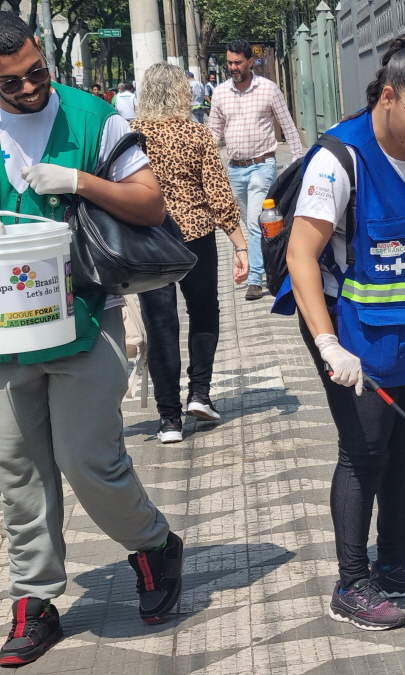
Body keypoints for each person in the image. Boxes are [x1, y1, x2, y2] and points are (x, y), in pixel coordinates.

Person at [0, 13, 184, 666]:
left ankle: (154, 543)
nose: (29, 90)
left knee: (86, 458)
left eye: (36, 73)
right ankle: (35, 597)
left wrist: (78, 182)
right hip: (5, 330)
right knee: (18, 468)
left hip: (81, 316)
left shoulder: (91, 117)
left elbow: (151, 202)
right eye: (12, 84)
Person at [282, 36, 405, 631]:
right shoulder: (340, 159)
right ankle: (352, 582)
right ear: (388, 96)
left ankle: (395, 562)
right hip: (357, 341)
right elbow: (300, 255)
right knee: (364, 455)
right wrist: (327, 345)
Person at [131, 62, 250, 444]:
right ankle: (199, 394)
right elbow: (218, 194)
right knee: (203, 310)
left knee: (160, 323)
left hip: (149, 239)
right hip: (195, 237)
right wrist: (240, 245)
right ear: (183, 94)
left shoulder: (131, 136)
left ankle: (168, 420)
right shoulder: (197, 134)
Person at [208, 38, 304, 301]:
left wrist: (300, 165)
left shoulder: (269, 89)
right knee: (247, 222)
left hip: (263, 165)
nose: (233, 67)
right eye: (229, 62)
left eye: (238, 62)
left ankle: (255, 279)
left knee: (255, 222)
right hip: (235, 170)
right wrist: (204, 163)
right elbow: (213, 133)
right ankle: (271, 263)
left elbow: (288, 126)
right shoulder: (221, 93)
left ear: (251, 61)